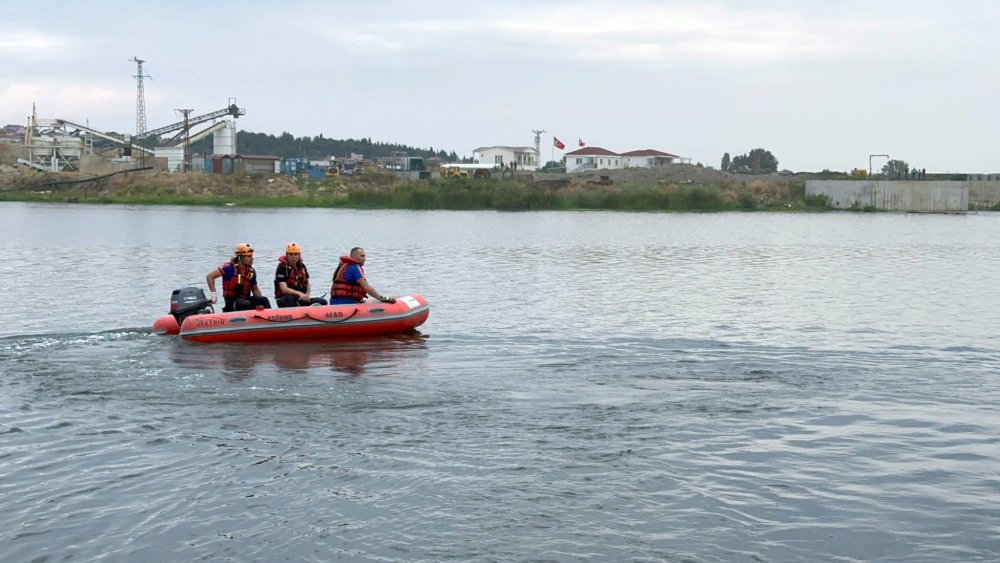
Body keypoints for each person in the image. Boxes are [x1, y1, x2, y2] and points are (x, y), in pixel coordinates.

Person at [206, 242, 271, 312]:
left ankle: (270, 317)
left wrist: (260, 301)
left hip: (245, 299)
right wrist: (214, 295)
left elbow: (254, 289)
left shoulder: (251, 272)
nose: (252, 259)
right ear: (240, 257)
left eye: (251, 256)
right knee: (245, 304)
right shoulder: (228, 268)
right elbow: (210, 276)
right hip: (231, 302)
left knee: (263, 300)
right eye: (249, 256)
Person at [329, 247, 396, 305]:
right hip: (347, 303)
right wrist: (381, 298)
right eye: (362, 256)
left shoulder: (343, 266)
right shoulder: (355, 267)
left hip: (334, 302)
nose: (365, 259)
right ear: (354, 257)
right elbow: (366, 287)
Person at [273, 242, 328, 308]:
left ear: (299, 255)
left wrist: (306, 295)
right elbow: (284, 289)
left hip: (301, 297)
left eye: (296, 254)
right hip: (285, 299)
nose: (293, 257)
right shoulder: (282, 268)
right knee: (291, 298)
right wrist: (300, 294)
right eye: (291, 254)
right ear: (287, 255)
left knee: (323, 302)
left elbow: (307, 284)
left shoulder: (302, 266)